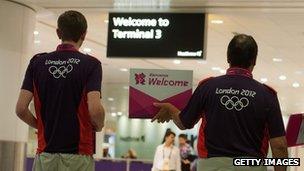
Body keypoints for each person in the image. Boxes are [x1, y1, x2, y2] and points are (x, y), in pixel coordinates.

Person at [152, 34, 288, 171]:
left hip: (212, 166)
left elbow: (183, 122)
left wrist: (170, 109)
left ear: (228, 57)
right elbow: (279, 146)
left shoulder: (207, 87)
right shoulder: (267, 95)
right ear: (254, 60)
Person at [15, 10, 105, 171]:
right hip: (78, 156)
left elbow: (21, 109)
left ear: (58, 33)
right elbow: (95, 109)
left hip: (45, 155)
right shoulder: (91, 65)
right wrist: (99, 125)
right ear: (84, 35)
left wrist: (41, 126)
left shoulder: (37, 62)